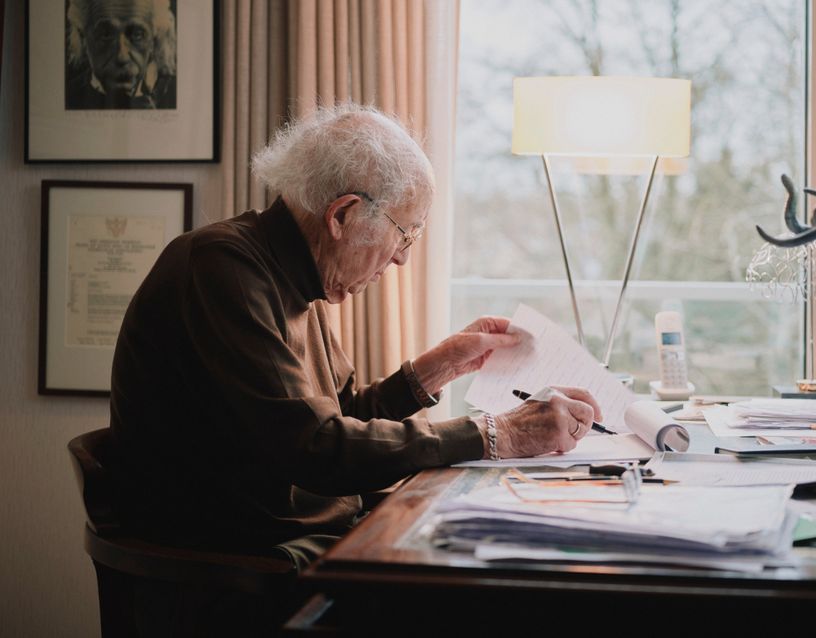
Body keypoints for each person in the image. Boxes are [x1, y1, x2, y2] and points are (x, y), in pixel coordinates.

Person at [109, 103, 602, 577]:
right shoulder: (222, 269)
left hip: (302, 536)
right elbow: (319, 450)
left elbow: (338, 421)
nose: (402, 259)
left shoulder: (291, 273)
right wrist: (500, 433)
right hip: (245, 565)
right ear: (341, 214)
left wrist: (433, 369)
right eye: (405, 235)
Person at [65, 0, 177, 109]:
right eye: (106, 35)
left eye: (137, 35)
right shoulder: (68, 97)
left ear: (154, 39)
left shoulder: (175, 95)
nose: (121, 57)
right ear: (83, 38)